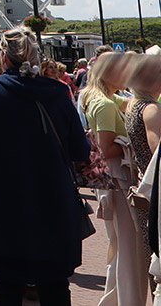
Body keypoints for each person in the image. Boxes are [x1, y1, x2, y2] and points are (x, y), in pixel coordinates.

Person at [0, 26, 91, 306]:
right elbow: (80, 150)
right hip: (53, 208)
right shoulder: (58, 92)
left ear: (3, 57)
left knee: (7, 287)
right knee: (55, 288)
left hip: (4, 210)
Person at [80, 50, 149, 305]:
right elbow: (106, 147)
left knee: (121, 247)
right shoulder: (105, 103)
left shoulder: (101, 97)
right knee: (130, 249)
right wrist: (135, 142)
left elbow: (131, 103)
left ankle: (116, 299)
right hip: (119, 178)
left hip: (113, 180)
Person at [125, 54, 161, 248]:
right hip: (156, 190)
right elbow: (157, 150)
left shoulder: (133, 104)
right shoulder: (151, 109)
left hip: (145, 185)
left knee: (152, 255)